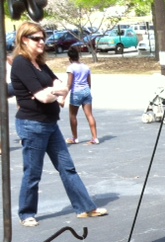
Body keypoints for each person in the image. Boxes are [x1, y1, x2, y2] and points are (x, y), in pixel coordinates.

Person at [11, 22, 107, 227]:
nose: (42, 42)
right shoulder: (21, 63)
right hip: (31, 124)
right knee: (33, 172)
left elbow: (62, 88)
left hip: (50, 124)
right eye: (37, 39)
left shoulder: (40, 64)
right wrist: (52, 93)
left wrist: (54, 92)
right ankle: (26, 213)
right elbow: (43, 97)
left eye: (43, 38)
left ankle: (85, 207)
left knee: (67, 167)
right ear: (24, 39)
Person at [63, 47, 99, 145]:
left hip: (76, 92)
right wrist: (87, 90)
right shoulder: (86, 67)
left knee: (73, 115)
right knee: (89, 114)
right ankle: (95, 138)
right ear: (78, 56)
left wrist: (64, 95)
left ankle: (75, 138)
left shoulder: (71, 68)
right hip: (86, 91)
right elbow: (89, 82)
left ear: (70, 58)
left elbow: (69, 84)